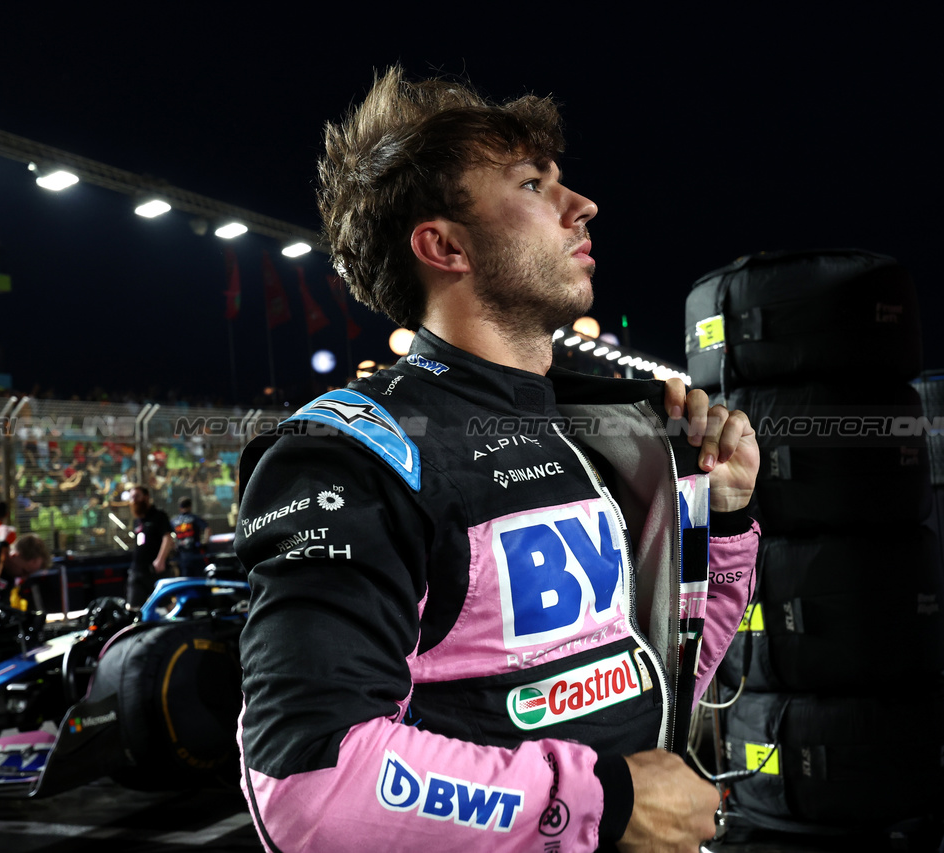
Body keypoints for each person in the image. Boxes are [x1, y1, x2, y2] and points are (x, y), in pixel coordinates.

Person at [234, 68, 760, 853]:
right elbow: (312, 784)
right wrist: (603, 803)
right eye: (533, 184)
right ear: (443, 245)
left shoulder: (605, 431)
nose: (581, 206)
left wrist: (728, 517)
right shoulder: (355, 453)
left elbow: (663, 669)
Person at [126, 487, 174, 608]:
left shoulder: (159, 516)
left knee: (166, 604)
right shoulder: (137, 521)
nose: (134, 500)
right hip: (137, 570)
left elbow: (167, 538)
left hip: (155, 570)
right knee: (134, 607)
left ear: (146, 497)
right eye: (132, 497)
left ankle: (177, 624)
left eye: (137, 496)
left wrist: (161, 559)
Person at [170, 497, 209, 578]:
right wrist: (205, 542)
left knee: (185, 579)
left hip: (182, 555)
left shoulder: (174, 521)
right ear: (190, 506)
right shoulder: (194, 518)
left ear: (180, 507)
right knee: (200, 579)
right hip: (195, 553)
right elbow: (207, 528)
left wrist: (173, 547)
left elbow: (168, 535)